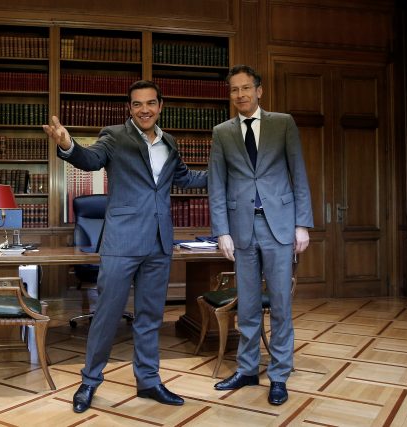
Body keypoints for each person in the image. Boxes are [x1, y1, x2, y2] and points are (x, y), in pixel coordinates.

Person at [43, 80, 207, 413]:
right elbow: (90, 159)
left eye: (150, 103)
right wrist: (68, 144)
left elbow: (187, 179)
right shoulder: (115, 136)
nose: (144, 109)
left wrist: (227, 171)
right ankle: (89, 381)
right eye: (137, 104)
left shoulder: (170, 143)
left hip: (160, 243)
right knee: (106, 315)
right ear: (129, 108)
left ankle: (148, 381)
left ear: (160, 106)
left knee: (150, 318)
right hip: (122, 242)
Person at [207, 65, 313, 405]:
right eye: (234, 90)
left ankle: (280, 375)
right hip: (241, 229)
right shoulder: (222, 132)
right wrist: (221, 231)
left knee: (280, 304)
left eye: (246, 88)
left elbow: (298, 173)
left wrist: (302, 224)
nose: (240, 95)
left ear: (259, 90)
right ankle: (248, 369)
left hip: (279, 225)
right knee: (248, 306)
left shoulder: (283, 123)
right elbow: (216, 185)